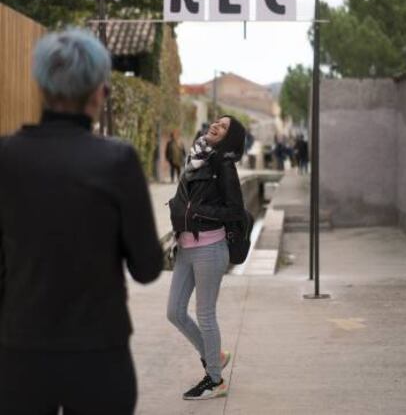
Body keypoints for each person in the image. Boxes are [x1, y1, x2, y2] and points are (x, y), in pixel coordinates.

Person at [0, 29, 163, 415]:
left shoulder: (5, 157)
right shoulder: (117, 161)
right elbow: (147, 267)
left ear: (40, 87)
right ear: (99, 94)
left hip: (19, 350)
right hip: (98, 353)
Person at [167, 115, 246, 401]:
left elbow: (236, 210)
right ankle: (216, 355)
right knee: (174, 311)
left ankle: (215, 379)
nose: (216, 126)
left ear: (230, 139)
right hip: (186, 247)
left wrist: (199, 213)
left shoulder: (222, 165)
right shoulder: (196, 155)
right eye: (217, 122)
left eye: (224, 127)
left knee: (205, 314)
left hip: (210, 248)